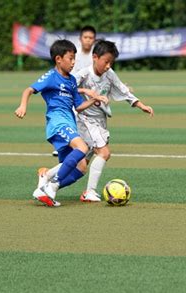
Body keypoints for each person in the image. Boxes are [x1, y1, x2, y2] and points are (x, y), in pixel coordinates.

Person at [14, 39, 107, 207]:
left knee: (81, 167)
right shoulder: (51, 77)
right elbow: (29, 90)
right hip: (57, 122)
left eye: (74, 58)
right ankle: (53, 186)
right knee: (82, 148)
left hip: (69, 123)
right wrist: (23, 105)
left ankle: (46, 183)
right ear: (58, 59)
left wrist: (94, 100)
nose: (73, 62)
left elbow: (78, 106)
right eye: (70, 58)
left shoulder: (71, 80)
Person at [75, 40, 154, 202]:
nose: (109, 66)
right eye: (106, 61)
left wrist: (141, 105)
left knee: (80, 165)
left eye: (112, 62)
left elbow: (123, 91)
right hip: (85, 120)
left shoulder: (109, 74)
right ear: (95, 57)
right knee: (104, 153)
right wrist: (85, 90)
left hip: (100, 121)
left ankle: (48, 177)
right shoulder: (84, 74)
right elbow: (66, 88)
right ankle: (89, 192)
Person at [52, 25, 97, 157]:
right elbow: (68, 81)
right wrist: (83, 90)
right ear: (80, 38)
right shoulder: (72, 55)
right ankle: (65, 145)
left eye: (91, 38)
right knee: (71, 116)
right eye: (85, 37)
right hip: (73, 92)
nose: (88, 40)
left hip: (90, 94)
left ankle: (88, 144)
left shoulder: (95, 56)